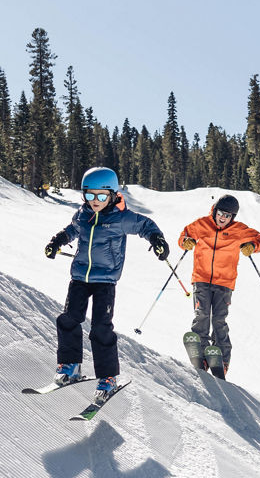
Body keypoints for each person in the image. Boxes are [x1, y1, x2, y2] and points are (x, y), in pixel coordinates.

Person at [44, 167, 169, 394]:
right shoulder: (82, 214)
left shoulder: (121, 218)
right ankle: (70, 366)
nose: (95, 201)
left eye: (101, 196)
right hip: (80, 277)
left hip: (105, 281)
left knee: (101, 328)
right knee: (68, 319)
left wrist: (157, 239)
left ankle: (107, 378)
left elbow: (145, 225)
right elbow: (72, 229)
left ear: (112, 195)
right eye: (89, 195)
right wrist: (57, 241)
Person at [178, 194, 260, 377]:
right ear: (215, 211)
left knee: (219, 320)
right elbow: (184, 236)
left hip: (225, 283)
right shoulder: (202, 224)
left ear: (232, 217)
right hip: (201, 279)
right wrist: (186, 242)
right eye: (220, 213)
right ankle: (201, 354)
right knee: (201, 315)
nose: (223, 218)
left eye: (227, 216)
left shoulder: (239, 230)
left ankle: (222, 360)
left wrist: (252, 245)